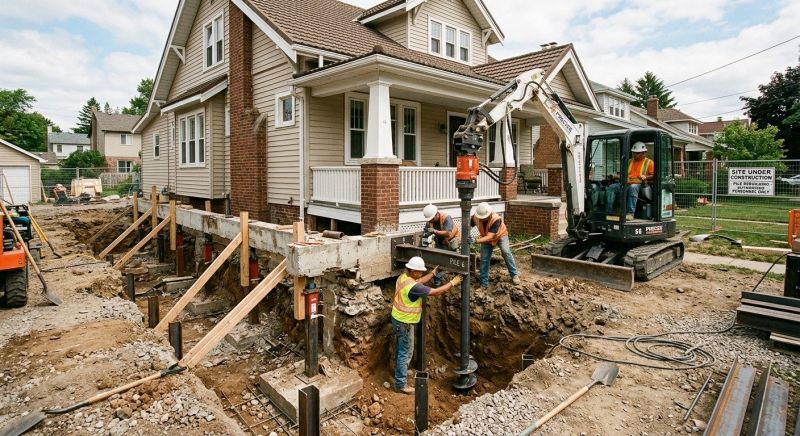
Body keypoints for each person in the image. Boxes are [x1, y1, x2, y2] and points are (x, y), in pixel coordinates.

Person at [391, 256, 461, 394]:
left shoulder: (403, 278)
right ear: (413, 271)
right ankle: (400, 384)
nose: (421, 274)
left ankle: (401, 372)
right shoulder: (413, 287)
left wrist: (432, 274)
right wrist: (453, 282)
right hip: (404, 322)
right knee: (406, 352)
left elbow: (419, 282)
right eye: (420, 271)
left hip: (397, 318)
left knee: (401, 350)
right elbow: (436, 292)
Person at [471, 202, 520, 288]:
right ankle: (484, 283)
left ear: (489, 214)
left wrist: (475, 240)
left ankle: (514, 274)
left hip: (500, 235)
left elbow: (490, 237)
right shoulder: (475, 217)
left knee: (506, 252)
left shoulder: (496, 219)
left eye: (484, 218)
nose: (482, 219)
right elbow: (467, 226)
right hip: (486, 237)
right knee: (484, 259)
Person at [422, 204, 461, 286]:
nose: (431, 221)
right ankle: (437, 280)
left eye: (432, 219)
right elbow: (425, 233)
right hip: (441, 241)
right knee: (439, 260)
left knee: (453, 259)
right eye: (429, 220)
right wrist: (425, 240)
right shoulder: (430, 221)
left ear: (436, 214)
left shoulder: (446, 217)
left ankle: (457, 277)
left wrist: (434, 231)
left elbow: (448, 233)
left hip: (452, 239)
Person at [626, 142, 654, 219]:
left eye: (637, 153)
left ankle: (630, 213)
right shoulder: (629, 161)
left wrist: (646, 177)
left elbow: (654, 175)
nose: (635, 155)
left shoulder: (649, 162)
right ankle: (611, 211)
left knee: (633, 187)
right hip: (627, 183)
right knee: (612, 187)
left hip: (640, 185)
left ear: (644, 153)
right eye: (634, 153)